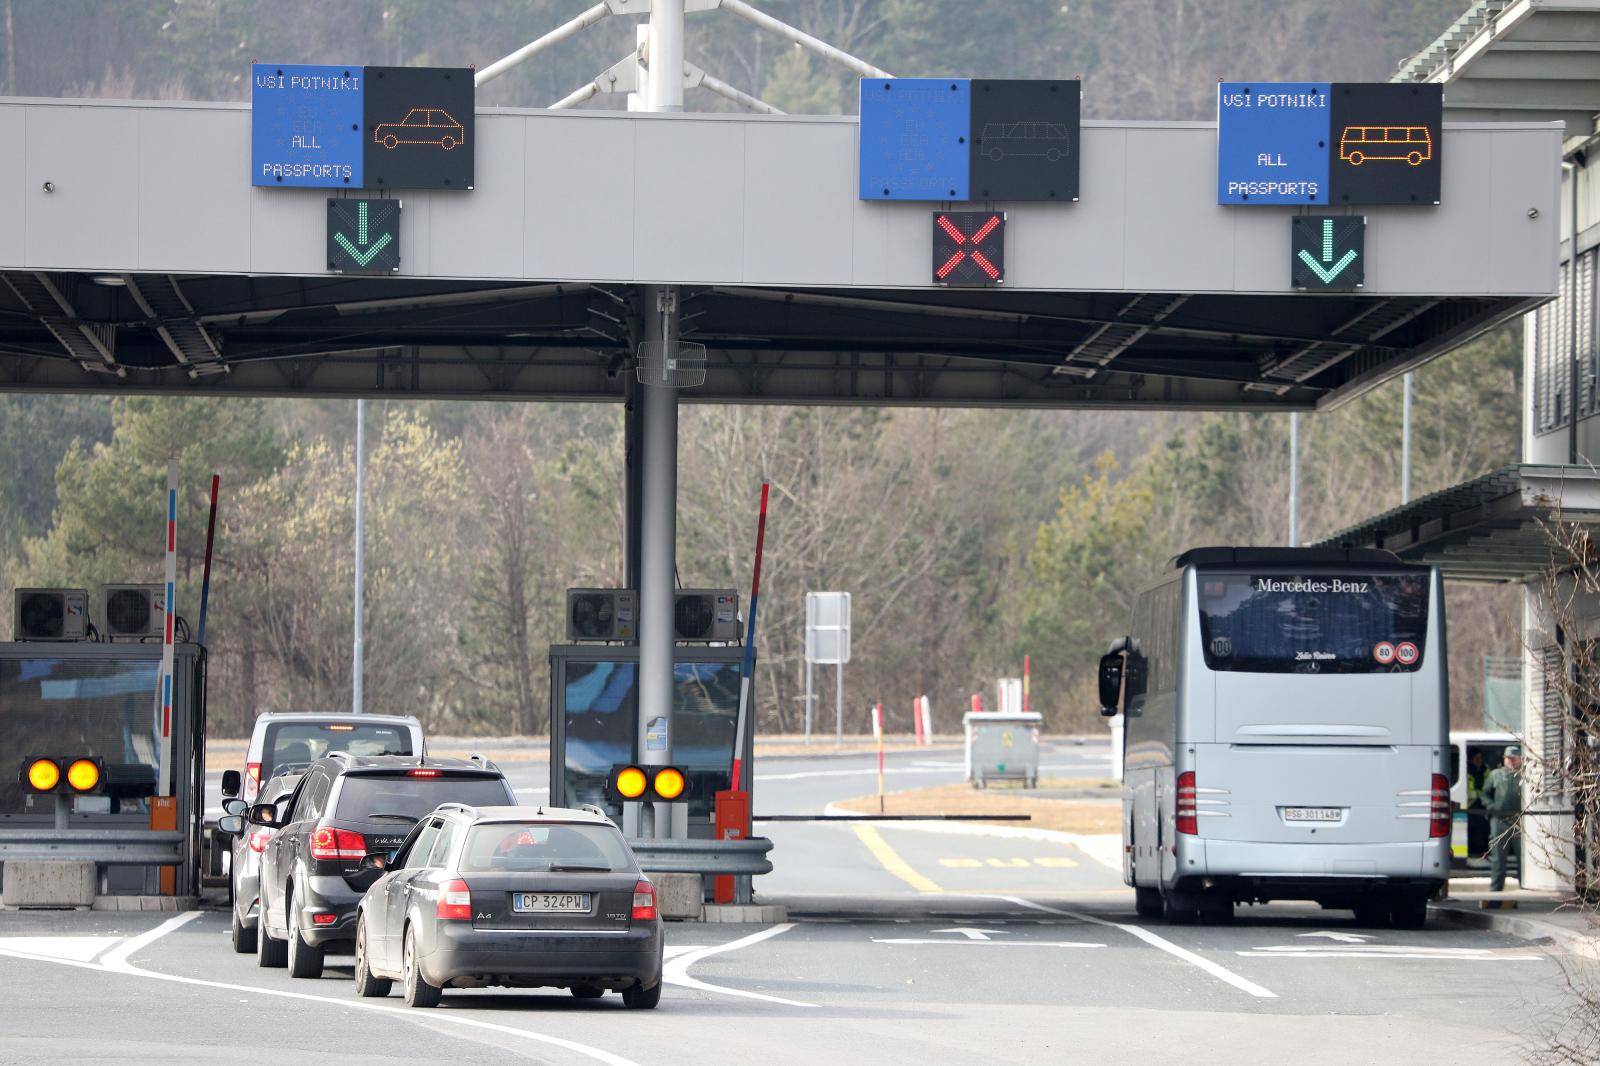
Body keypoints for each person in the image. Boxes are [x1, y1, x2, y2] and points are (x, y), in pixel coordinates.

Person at [1480, 746, 1523, 892]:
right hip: (1499, 821)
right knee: (1498, 858)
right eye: (1508, 758)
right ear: (1504, 759)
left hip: (1520, 821)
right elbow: (1484, 794)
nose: (1510, 761)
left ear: (1520, 759)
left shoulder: (1526, 775)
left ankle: (1526, 887)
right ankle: (1496, 889)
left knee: (1523, 858)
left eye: (1514, 758)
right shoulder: (1495, 775)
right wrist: (1491, 807)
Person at [1465, 750, 1489, 863]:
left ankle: (1482, 853)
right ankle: (1473, 853)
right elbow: (1466, 790)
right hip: (1469, 805)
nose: (1479, 761)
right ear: (1471, 759)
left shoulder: (1485, 770)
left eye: (1480, 758)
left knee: (1483, 829)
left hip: (1483, 805)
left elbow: (1489, 787)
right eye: (1476, 758)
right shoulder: (1466, 770)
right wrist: (1477, 794)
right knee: (1471, 829)